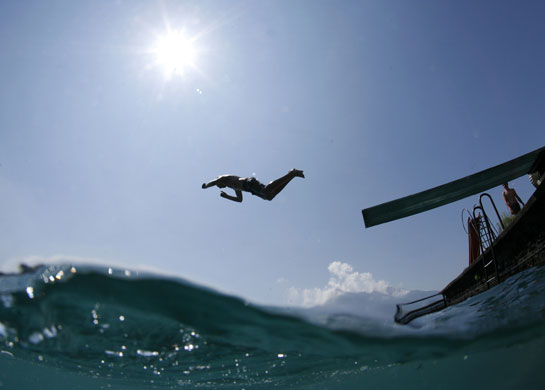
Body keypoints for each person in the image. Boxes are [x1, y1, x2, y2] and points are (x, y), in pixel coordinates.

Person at [202, 169, 304, 202]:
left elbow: (215, 181)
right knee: (268, 196)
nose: (219, 187)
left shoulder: (225, 178)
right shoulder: (232, 186)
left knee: (265, 191)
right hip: (248, 188)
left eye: (218, 185)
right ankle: (292, 176)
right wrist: (226, 196)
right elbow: (239, 199)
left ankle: (290, 174)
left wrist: (206, 185)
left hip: (248, 183)